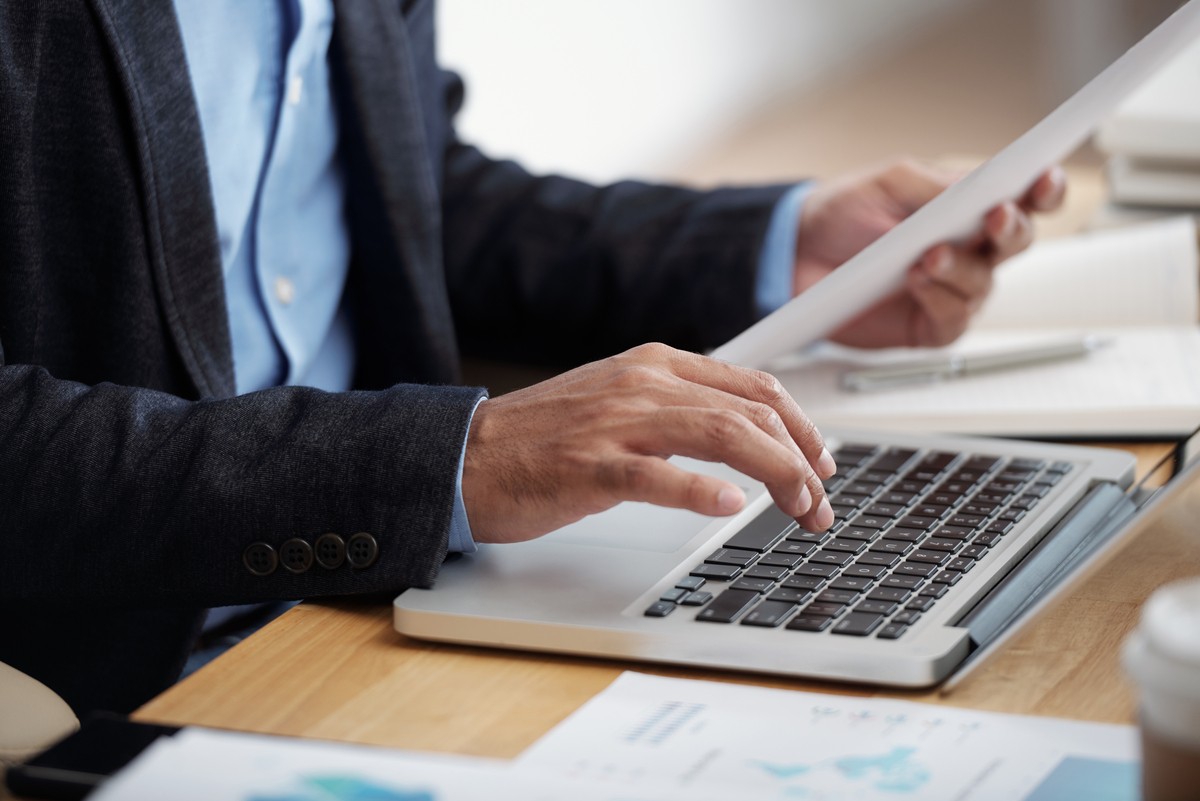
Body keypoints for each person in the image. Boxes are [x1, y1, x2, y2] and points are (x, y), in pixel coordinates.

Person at [0, 0, 1064, 716]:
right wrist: (452, 462)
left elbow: (407, 202)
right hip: (141, 674)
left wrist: (782, 251)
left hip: (402, 595)